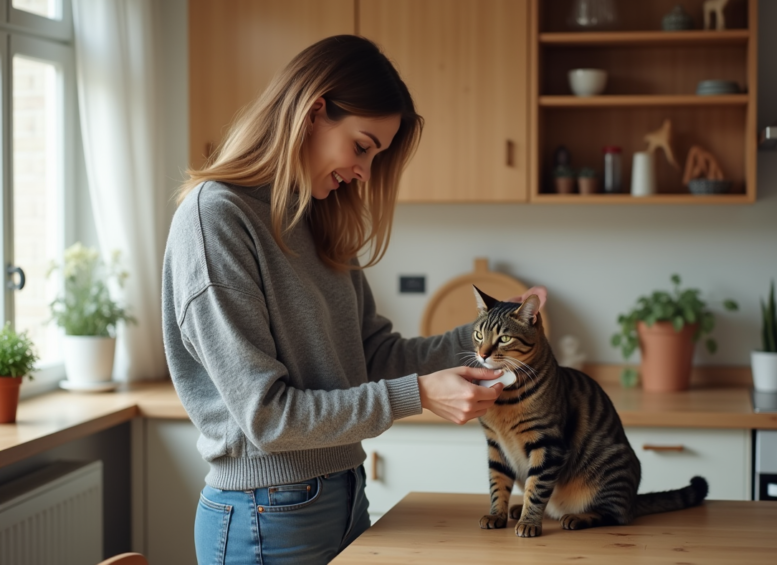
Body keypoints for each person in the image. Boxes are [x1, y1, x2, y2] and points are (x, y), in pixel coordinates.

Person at [162, 35, 546, 565]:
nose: (365, 172)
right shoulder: (216, 219)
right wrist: (419, 394)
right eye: (362, 146)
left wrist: (499, 336)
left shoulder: (317, 219)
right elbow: (268, 418)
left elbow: (373, 356)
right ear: (314, 112)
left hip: (344, 494)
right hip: (264, 514)